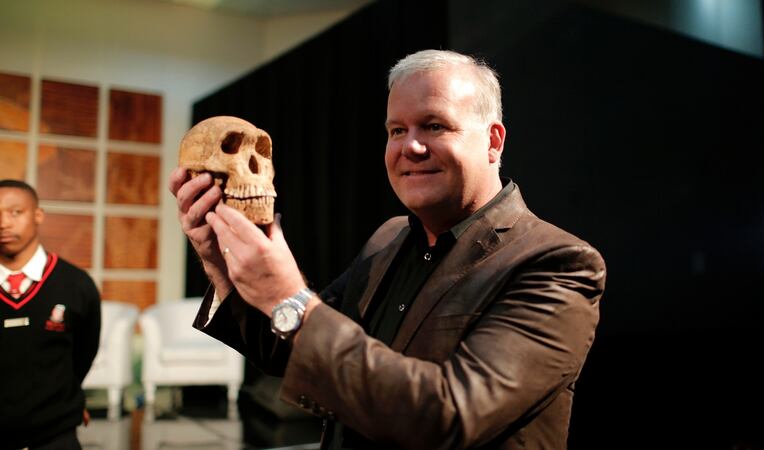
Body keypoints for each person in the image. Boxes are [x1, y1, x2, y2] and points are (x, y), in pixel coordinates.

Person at [170, 49, 606, 450]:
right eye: (397, 130)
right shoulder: (388, 239)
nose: (409, 147)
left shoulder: (558, 264)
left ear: (493, 141)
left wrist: (288, 296)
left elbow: (448, 417)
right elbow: (288, 350)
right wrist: (217, 259)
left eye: (434, 125)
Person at [0, 179, 100, 450]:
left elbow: (85, 349)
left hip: (56, 436)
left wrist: (68, 398)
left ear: (38, 215)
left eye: (14, 212)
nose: (3, 223)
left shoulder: (76, 284)